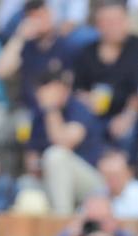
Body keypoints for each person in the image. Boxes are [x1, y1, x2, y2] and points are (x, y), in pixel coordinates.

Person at [26, 69, 106, 212]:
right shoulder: (38, 116)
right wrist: (36, 165)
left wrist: (51, 109)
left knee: (56, 155)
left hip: (92, 182)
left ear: (62, 89)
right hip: (53, 180)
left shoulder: (78, 108)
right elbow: (31, 156)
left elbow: (63, 143)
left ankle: (62, 219)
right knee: (25, 185)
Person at [0, 0, 81, 112]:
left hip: (55, 110)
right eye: (35, 17)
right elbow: (0, 72)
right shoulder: (25, 47)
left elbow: (70, 85)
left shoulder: (66, 46)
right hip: (27, 110)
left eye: (43, 15)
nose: (40, 21)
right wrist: (19, 37)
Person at [72, 1, 138, 149]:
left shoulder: (135, 48)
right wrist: (87, 99)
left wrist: (128, 116)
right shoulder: (87, 52)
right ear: (98, 25)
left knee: (127, 134)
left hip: (128, 115)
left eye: (118, 20)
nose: (115, 26)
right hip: (93, 114)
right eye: (108, 22)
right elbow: (77, 88)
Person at [52, 192, 134, 236]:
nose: (96, 227)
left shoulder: (120, 235)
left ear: (111, 217)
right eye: (92, 221)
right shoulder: (75, 230)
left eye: (102, 219)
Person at [98, 146, 138, 217]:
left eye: (115, 175)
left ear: (129, 173)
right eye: (106, 175)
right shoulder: (98, 194)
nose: (111, 179)